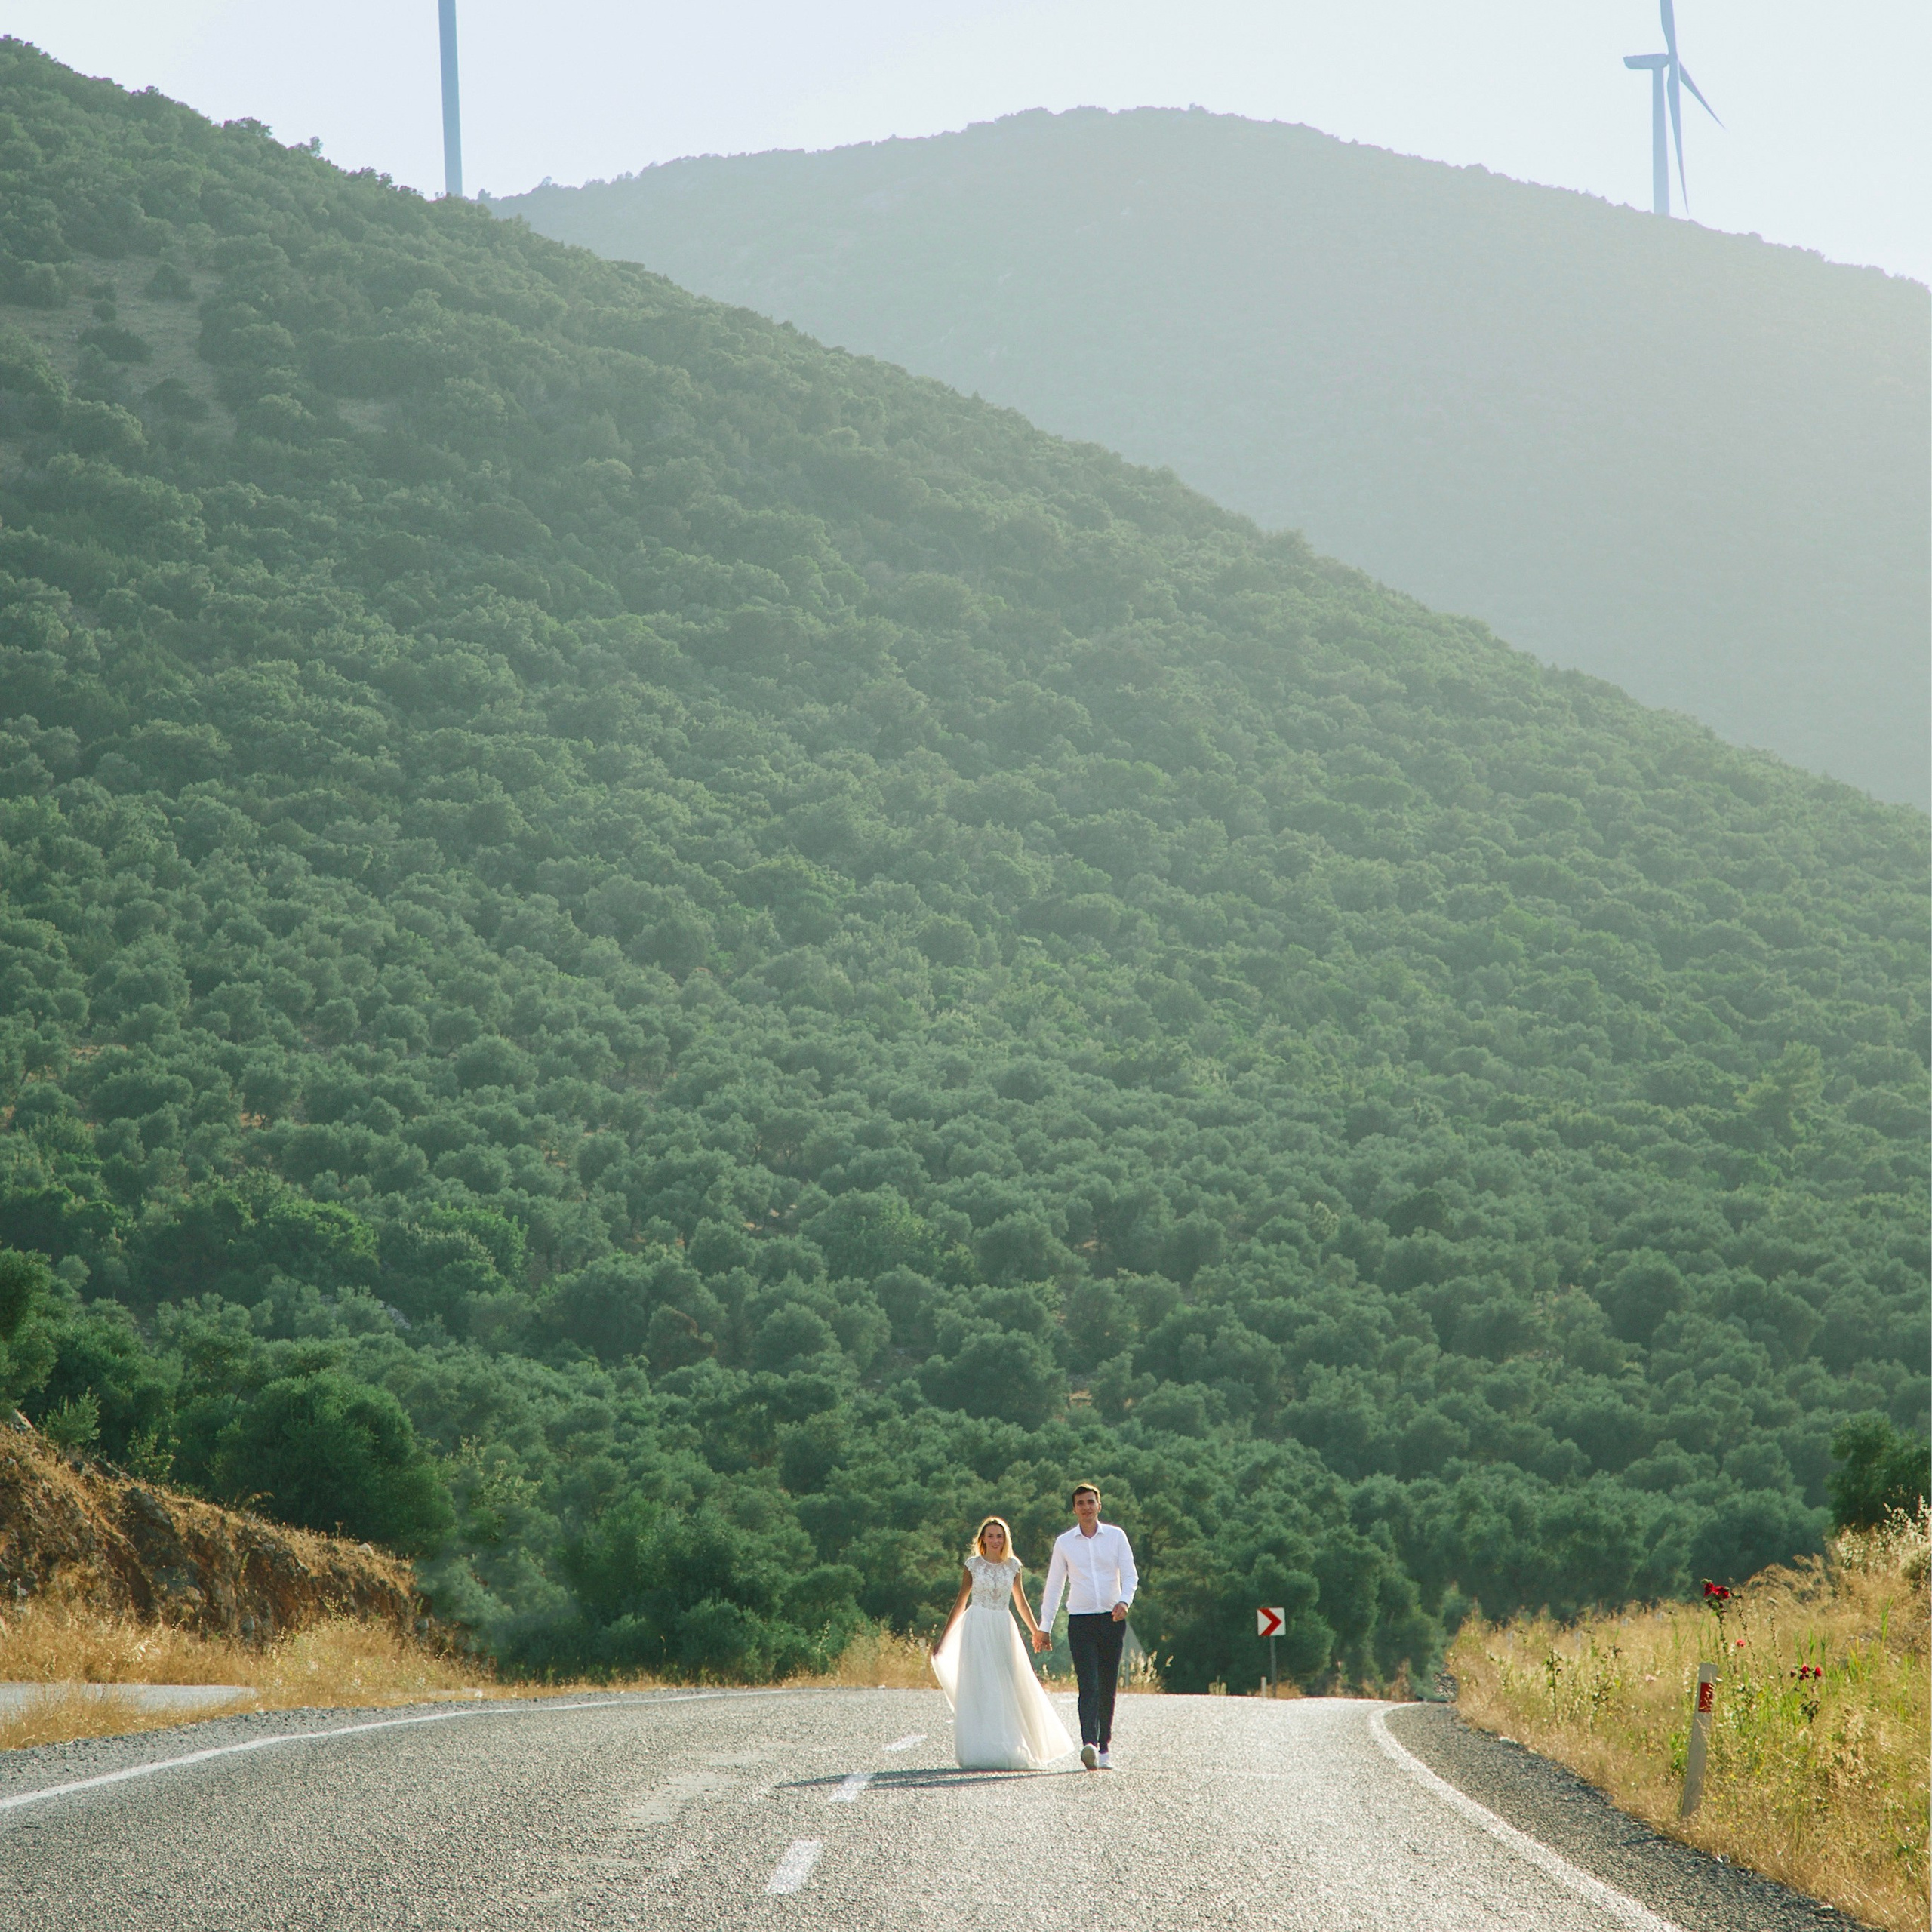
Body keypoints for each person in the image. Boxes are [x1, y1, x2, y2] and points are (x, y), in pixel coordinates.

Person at [929, 1516, 1075, 1771]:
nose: (995, 1540)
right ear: (983, 1539)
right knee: (982, 1685)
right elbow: (961, 1602)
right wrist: (944, 1638)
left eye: (1000, 1536)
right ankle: (981, 1749)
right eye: (991, 1536)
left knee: (1008, 1684)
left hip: (1002, 1627)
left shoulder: (1013, 1566)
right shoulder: (972, 1565)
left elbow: (1021, 1603)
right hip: (977, 1626)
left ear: (1005, 1539)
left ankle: (1010, 1746)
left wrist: (1038, 1632)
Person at [1038, 1482, 1137, 1770]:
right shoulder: (1065, 1543)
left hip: (1112, 1618)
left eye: (1091, 1502)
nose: (1086, 1507)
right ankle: (1089, 1744)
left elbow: (1130, 1575)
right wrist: (1045, 1625)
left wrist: (1124, 1601)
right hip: (1080, 1620)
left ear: (1099, 1506)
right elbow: (1054, 1586)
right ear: (1074, 1509)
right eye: (1080, 1503)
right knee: (1088, 1683)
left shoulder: (1116, 1537)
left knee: (1107, 1684)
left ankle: (1104, 1748)